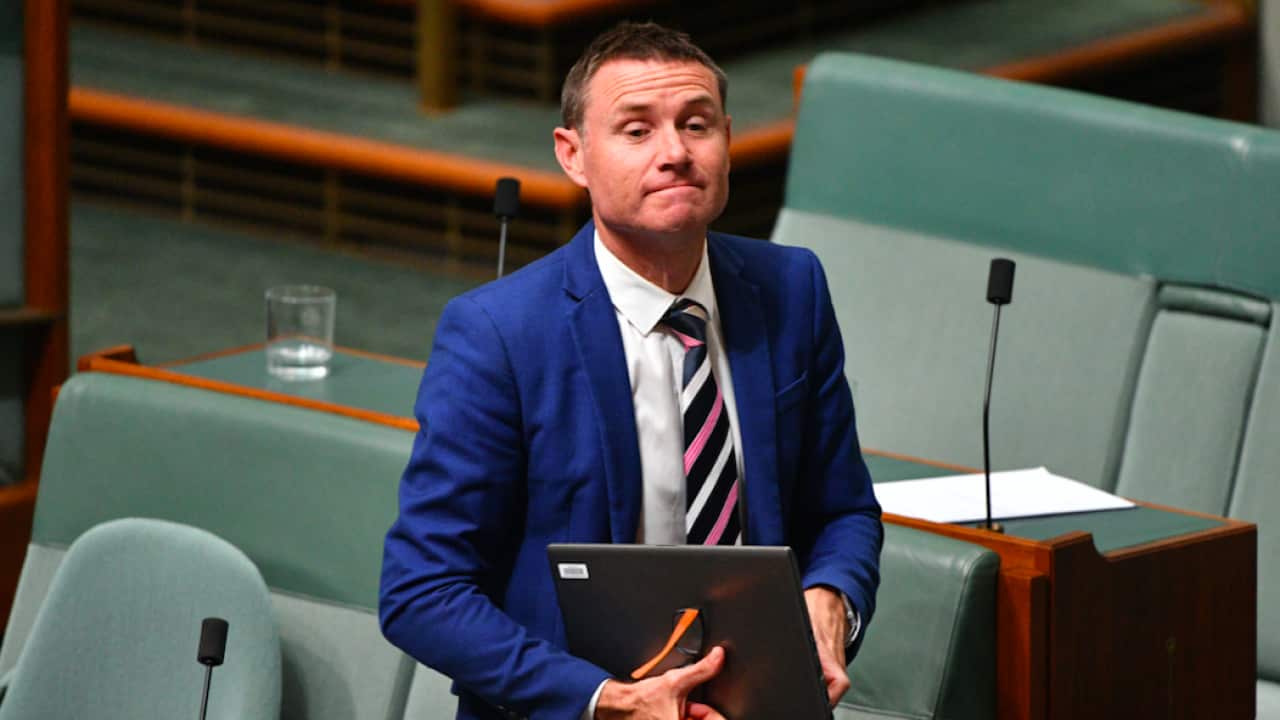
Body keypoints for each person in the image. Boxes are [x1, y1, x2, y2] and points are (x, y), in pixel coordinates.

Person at [380, 21, 882, 720]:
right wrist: (606, 701)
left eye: (697, 125)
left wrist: (833, 598)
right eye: (637, 131)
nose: (675, 153)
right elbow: (421, 592)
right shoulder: (499, 334)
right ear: (574, 154)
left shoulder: (791, 288)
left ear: (729, 140)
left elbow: (844, 510)